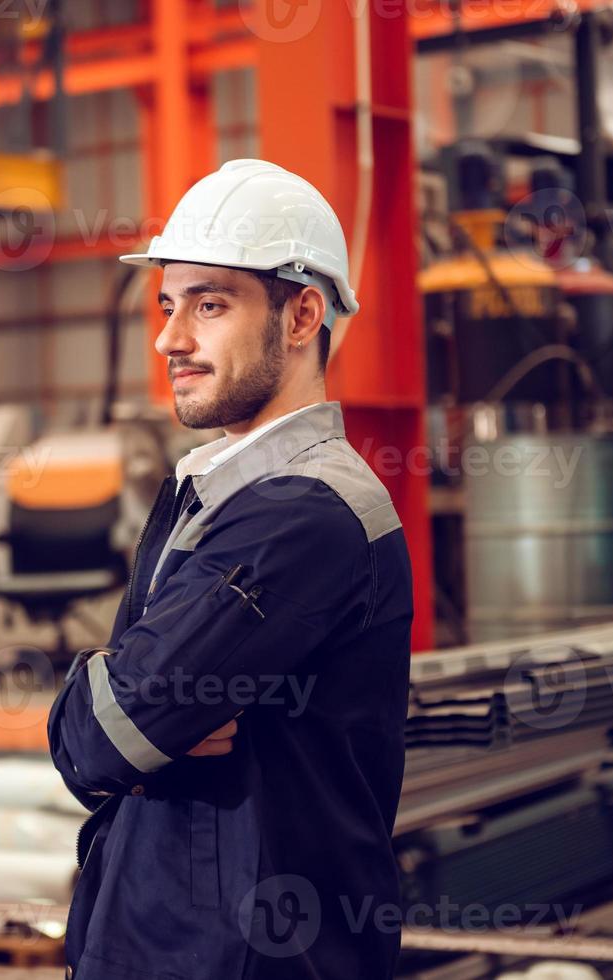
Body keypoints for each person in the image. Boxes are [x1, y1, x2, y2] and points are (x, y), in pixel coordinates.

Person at [47, 159, 414, 979]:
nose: (170, 337)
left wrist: (119, 705)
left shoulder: (302, 514)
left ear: (302, 314)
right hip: (175, 939)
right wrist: (130, 700)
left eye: (211, 304)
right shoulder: (217, 487)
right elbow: (130, 720)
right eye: (170, 305)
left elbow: (106, 739)